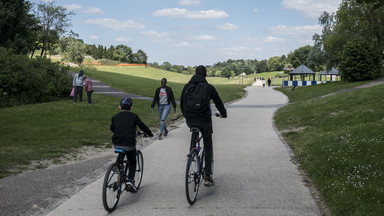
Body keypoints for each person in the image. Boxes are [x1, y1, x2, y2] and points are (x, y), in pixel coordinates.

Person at [180, 65, 227, 187]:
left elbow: (182, 103)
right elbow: (218, 102)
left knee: (194, 130)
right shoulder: (208, 87)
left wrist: (186, 115)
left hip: (190, 118)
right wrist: (224, 114)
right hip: (204, 119)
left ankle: (191, 152)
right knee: (208, 144)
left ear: (195, 74)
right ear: (205, 75)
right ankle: (207, 176)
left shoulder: (187, 87)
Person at [110, 97, 154, 192]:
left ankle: (117, 166)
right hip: (129, 144)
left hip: (117, 143)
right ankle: (130, 181)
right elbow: (142, 126)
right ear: (131, 107)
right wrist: (150, 133)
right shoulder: (134, 116)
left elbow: (112, 128)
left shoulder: (115, 117)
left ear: (120, 107)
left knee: (122, 151)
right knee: (132, 160)